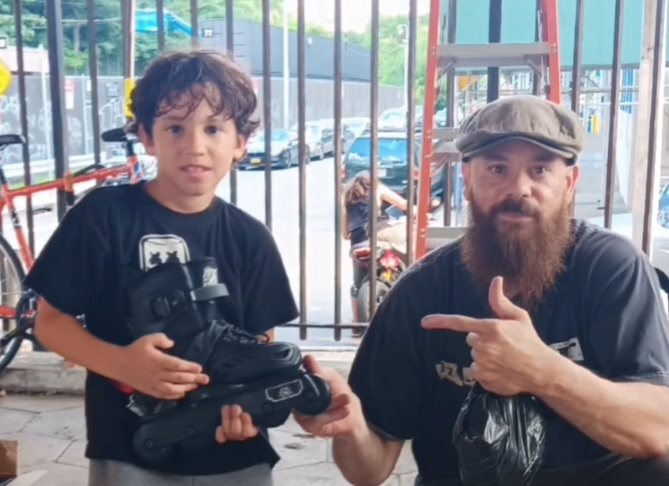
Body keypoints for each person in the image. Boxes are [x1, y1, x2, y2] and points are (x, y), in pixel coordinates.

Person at [296, 95, 669, 485]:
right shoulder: (420, 293)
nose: (519, 189)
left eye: (540, 169)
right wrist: (352, 427)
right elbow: (368, 472)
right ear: (468, 180)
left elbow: (658, 430)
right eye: (497, 169)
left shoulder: (610, 268)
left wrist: (543, 371)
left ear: (569, 184)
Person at [25, 50, 298, 486]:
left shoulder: (250, 237)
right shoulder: (102, 216)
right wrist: (123, 364)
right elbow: (50, 322)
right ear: (147, 137)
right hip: (128, 449)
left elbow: (261, 344)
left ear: (241, 142)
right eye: (175, 128)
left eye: (213, 128)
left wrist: (248, 409)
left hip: (234, 456)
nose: (195, 146)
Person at [341, 170, 412, 336]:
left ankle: (356, 325)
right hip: (380, 234)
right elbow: (405, 205)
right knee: (411, 236)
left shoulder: (345, 197)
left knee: (356, 285)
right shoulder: (377, 188)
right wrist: (418, 212)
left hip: (358, 245)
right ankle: (410, 271)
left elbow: (344, 234)